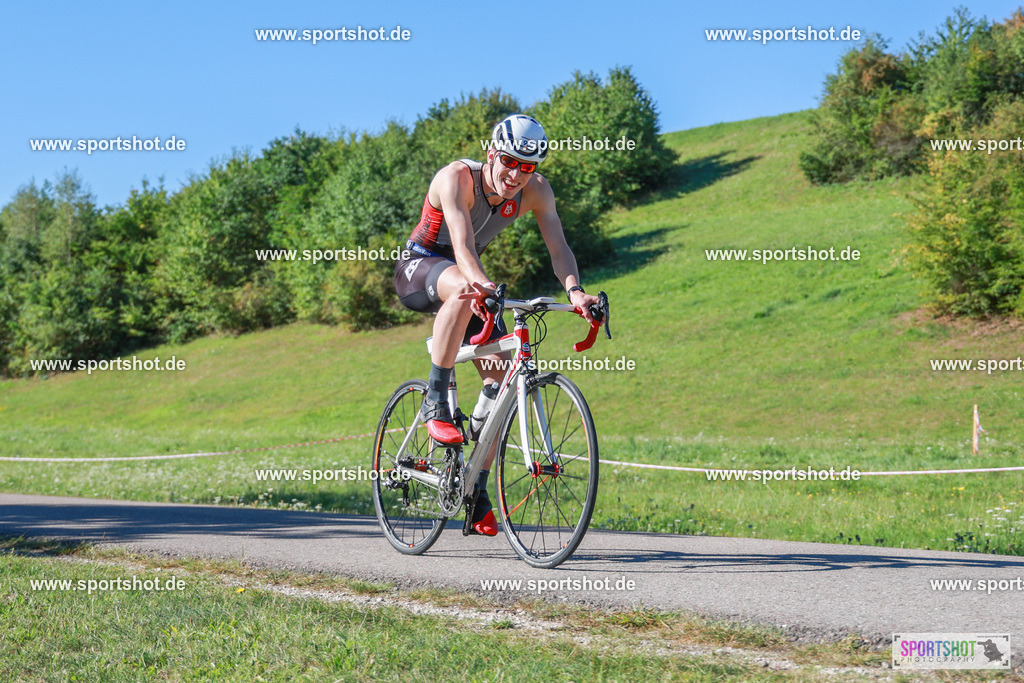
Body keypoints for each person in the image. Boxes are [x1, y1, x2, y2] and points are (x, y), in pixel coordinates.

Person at [393, 114, 601, 535]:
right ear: (492, 153)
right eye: (509, 161)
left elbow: (558, 248)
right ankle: (435, 400)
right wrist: (483, 284)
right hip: (422, 266)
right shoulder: (456, 178)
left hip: (471, 274)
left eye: (528, 167)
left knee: (502, 382)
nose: (517, 174)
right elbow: (463, 246)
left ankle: (475, 491)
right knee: (466, 291)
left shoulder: (537, 191)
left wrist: (577, 293)